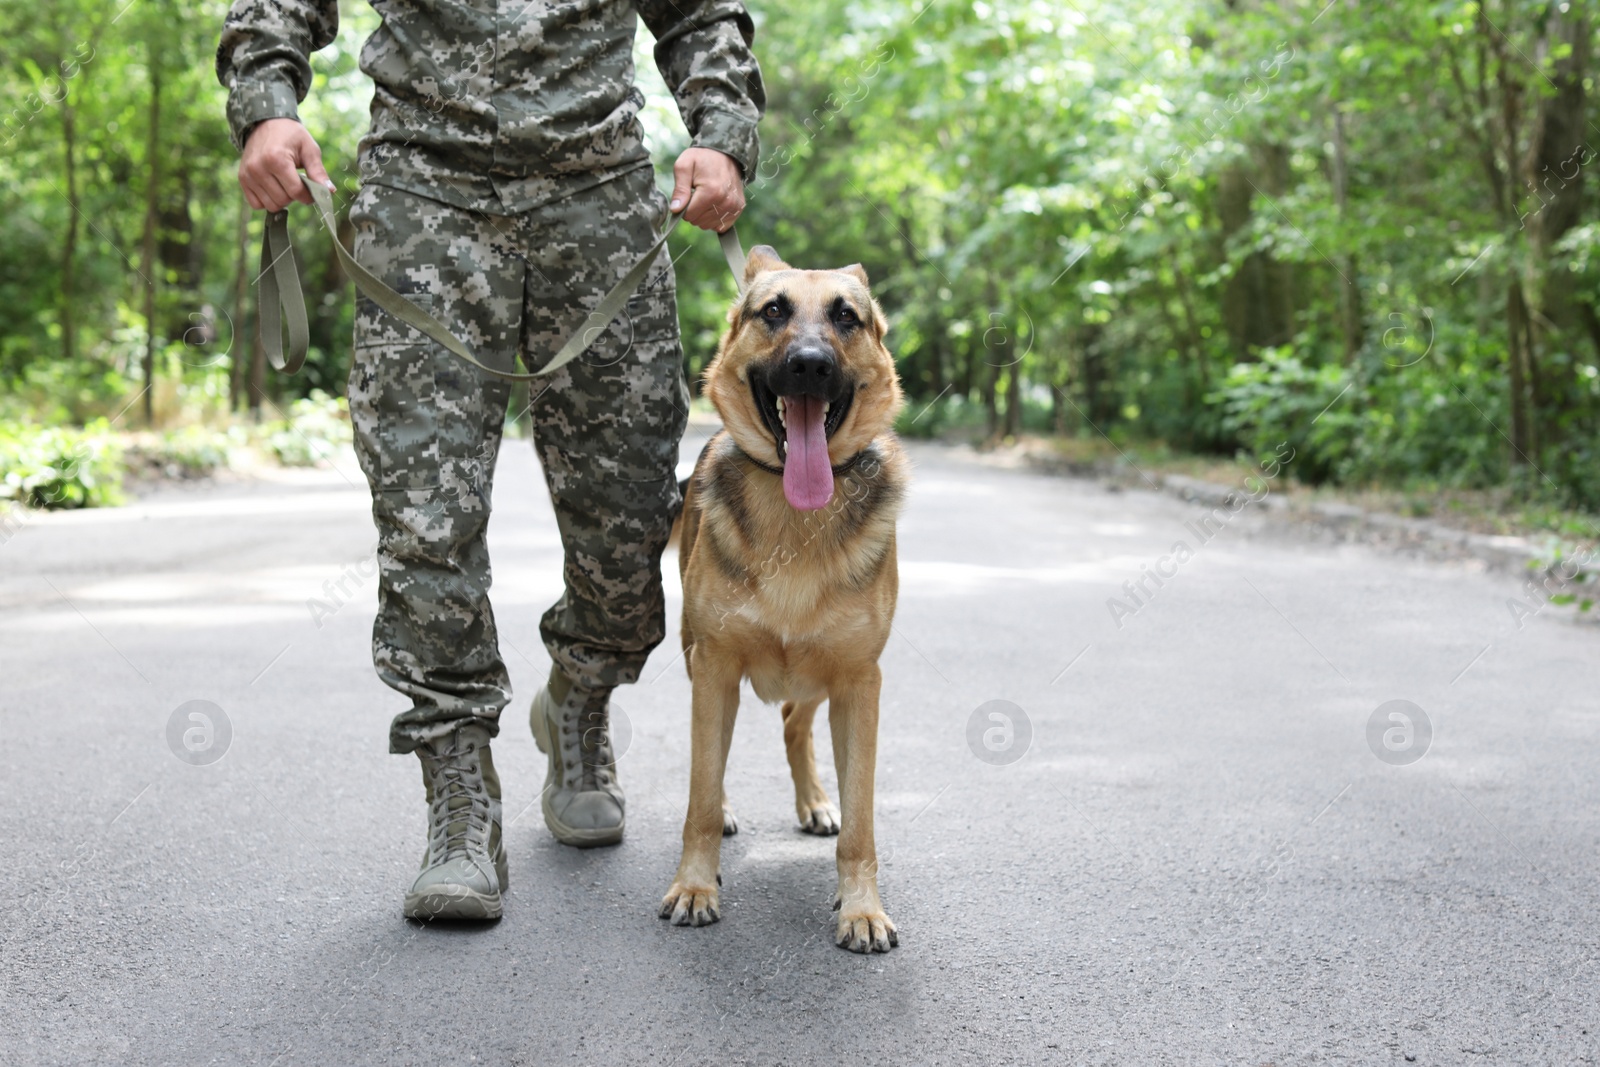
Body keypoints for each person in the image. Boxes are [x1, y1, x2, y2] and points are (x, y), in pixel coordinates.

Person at [217, 0, 764, 920]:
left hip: (599, 196)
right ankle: (459, 796)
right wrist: (268, 103)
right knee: (424, 519)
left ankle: (582, 702)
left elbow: (701, 14)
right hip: (424, 196)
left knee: (632, 521)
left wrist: (722, 134)